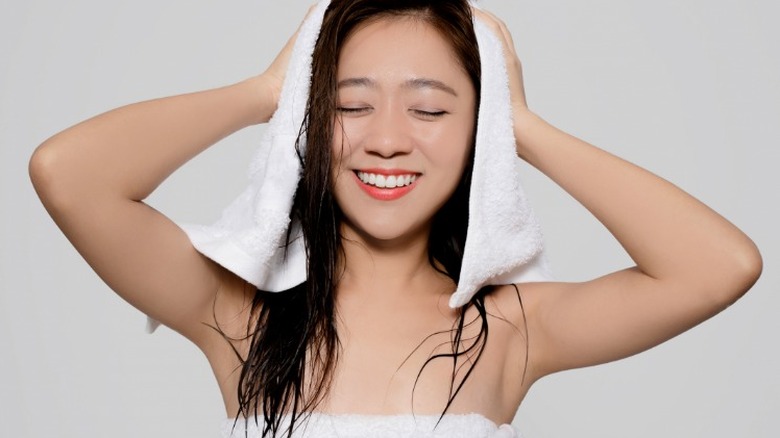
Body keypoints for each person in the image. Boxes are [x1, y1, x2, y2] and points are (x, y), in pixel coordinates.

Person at [28, 0, 762, 437]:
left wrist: (522, 126)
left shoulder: (511, 327)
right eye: (349, 104)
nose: (385, 137)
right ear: (311, 122)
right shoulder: (239, 311)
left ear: (481, 128)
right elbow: (68, 175)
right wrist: (266, 91)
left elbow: (719, 267)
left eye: (430, 108)